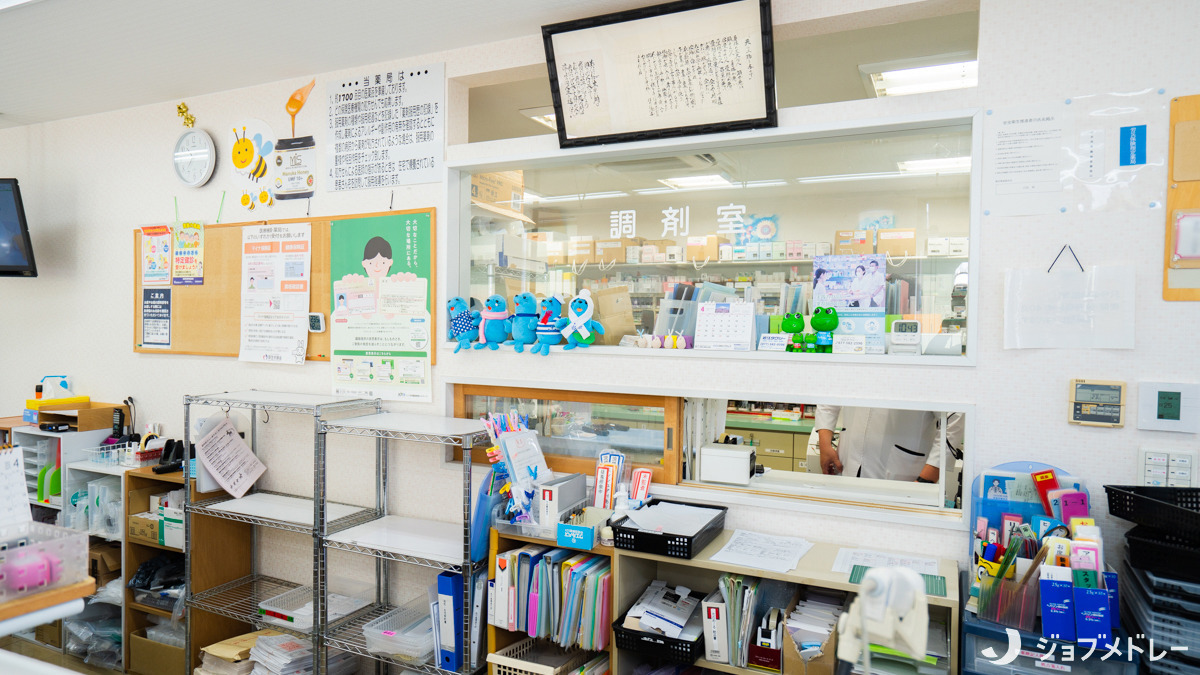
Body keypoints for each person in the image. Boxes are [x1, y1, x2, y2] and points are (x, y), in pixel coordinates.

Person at [814, 405, 963, 483]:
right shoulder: (852, 356)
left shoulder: (929, 360)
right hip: (847, 463)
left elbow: (955, 416)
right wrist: (825, 444)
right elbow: (828, 395)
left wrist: (930, 475)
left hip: (904, 475)